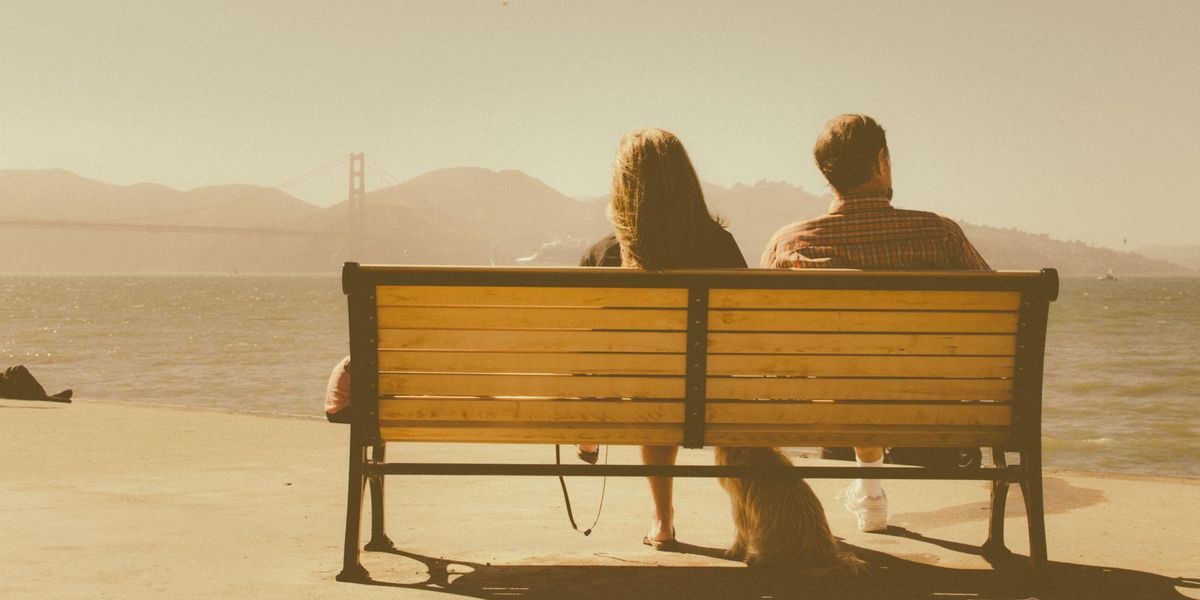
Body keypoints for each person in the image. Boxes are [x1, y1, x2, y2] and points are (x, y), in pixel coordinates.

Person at [761, 114, 990, 533]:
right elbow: (995, 321)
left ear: (827, 175)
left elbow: (764, 341)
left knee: (847, 388)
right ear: (881, 162)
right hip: (932, 419)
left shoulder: (789, 245)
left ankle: (867, 481)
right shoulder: (939, 235)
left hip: (831, 417)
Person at [577, 128, 747, 549]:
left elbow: (583, 344)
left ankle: (662, 518)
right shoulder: (719, 246)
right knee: (671, 382)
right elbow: (743, 330)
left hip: (641, 395)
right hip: (714, 394)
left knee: (652, 389)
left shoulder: (603, 255)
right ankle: (753, 521)